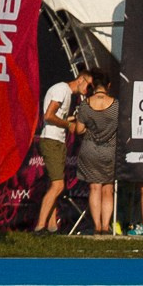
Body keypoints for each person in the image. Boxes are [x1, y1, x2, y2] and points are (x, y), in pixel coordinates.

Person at [33, 71, 90, 233]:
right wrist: (68, 125)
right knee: (58, 185)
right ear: (80, 79)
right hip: (52, 140)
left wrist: (72, 120)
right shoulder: (62, 89)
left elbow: (57, 116)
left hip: (57, 141)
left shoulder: (67, 93)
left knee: (54, 184)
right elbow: (49, 116)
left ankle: (51, 226)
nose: (88, 90)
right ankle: (40, 226)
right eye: (88, 85)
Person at [76, 73, 119, 236]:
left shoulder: (85, 105)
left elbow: (79, 129)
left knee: (94, 188)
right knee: (108, 189)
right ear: (108, 86)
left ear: (93, 87)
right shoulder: (116, 105)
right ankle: (106, 226)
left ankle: (97, 226)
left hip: (90, 149)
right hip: (110, 151)